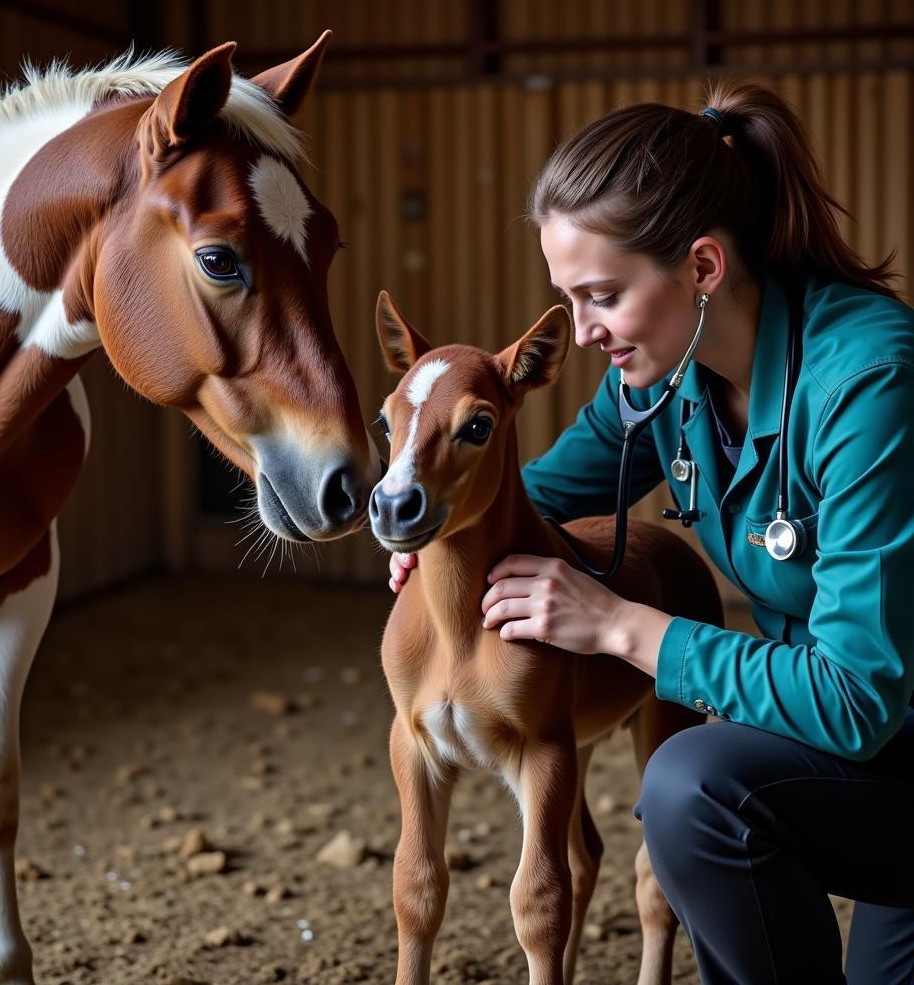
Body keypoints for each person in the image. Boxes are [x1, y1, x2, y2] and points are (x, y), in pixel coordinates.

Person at [386, 82, 914, 984]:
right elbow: (529, 495)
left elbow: (858, 699)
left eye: (602, 297)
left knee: (693, 784)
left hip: (884, 735)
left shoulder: (870, 380)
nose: (582, 332)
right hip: (843, 755)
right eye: (568, 296)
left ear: (703, 268)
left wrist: (623, 628)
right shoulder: (658, 381)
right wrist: (429, 527)